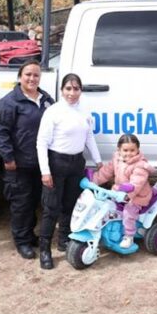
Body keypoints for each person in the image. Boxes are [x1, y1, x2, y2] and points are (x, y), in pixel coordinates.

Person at [36, 73, 102, 270]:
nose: (72, 93)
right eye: (68, 88)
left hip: (76, 164)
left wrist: (98, 161)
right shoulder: (53, 112)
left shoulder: (85, 112)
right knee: (51, 208)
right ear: (62, 90)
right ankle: (45, 250)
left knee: (71, 206)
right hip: (56, 163)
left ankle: (64, 240)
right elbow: (41, 142)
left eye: (76, 89)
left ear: (81, 90)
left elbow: (89, 137)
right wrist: (45, 171)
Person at [0, 62, 54, 260]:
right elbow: (0, 132)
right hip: (18, 163)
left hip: (39, 163)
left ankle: (29, 234)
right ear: (20, 77)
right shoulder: (9, 102)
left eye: (36, 75)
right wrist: (8, 157)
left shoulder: (46, 100)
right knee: (21, 203)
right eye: (28, 74)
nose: (32, 78)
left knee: (34, 200)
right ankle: (21, 241)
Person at [92, 134, 154, 249]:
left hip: (137, 196)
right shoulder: (117, 159)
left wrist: (127, 194)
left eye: (132, 150)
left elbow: (136, 183)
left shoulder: (140, 165)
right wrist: (93, 180)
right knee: (103, 205)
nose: (129, 153)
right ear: (119, 149)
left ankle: (128, 236)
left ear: (138, 150)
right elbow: (106, 172)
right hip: (118, 192)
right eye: (125, 150)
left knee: (128, 212)